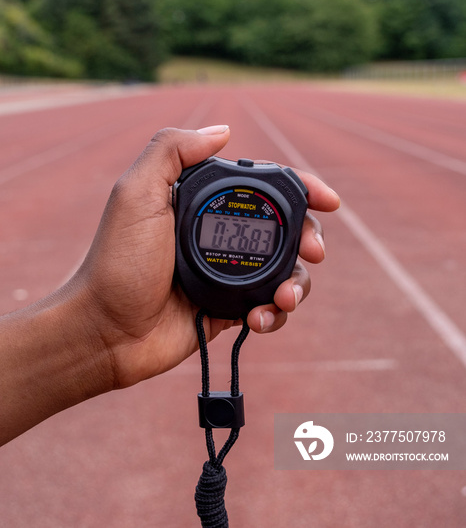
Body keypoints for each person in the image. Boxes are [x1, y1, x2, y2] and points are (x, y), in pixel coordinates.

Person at [0, 125, 340, 446]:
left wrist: (101, 337)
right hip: (198, 287)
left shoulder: (202, 182)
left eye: (248, 236)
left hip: (205, 286)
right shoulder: (281, 192)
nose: (235, 239)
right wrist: (102, 330)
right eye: (226, 230)